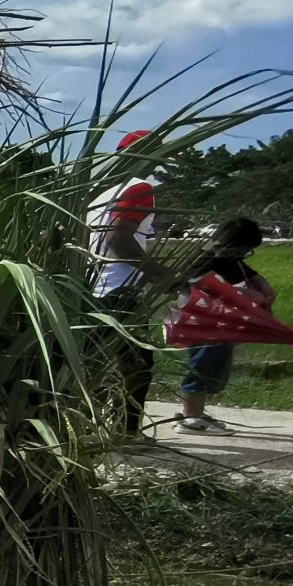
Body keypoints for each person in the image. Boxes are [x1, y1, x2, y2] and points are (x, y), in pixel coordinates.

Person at [176, 218, 275, 435]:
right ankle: (191, 418)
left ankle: (194, 412)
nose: (242, 256)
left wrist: (262, 285)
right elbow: (204, 286)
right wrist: (246, 294)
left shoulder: (227, 257)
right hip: (201, 321)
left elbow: (247, 273)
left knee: (215, 364)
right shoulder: (203, 258)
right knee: (204, 364)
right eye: (241, 251)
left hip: (217, 322)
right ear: (228, 244)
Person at [90, 132, 160, 435]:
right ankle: (126, 432)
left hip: (92, 286)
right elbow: (117, 238)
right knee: (136, 365)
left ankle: (86, 428)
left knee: (95, 362)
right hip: (122, 288)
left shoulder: (100, 193)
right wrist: (159, 273)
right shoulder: (140, 188)